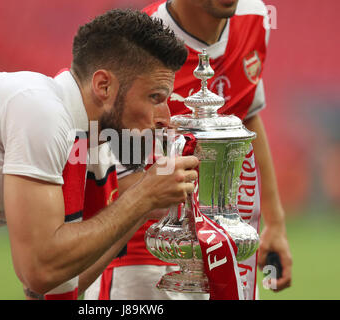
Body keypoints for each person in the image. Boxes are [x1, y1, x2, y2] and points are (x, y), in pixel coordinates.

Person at [0, 9, 196, 300]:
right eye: (155, 97)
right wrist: (142, 195)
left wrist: (144, 205)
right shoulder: (41, 110)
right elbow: (39, 269)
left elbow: (59, 282)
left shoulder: (87, 144)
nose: (166, 118)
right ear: (103, 86)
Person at [83, 0, 292, 300]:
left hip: (225, 250)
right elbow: (100, 149)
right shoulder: (136, 42)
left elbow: (246, 117)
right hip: (143, 259)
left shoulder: (255, 18)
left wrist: (275, 223)